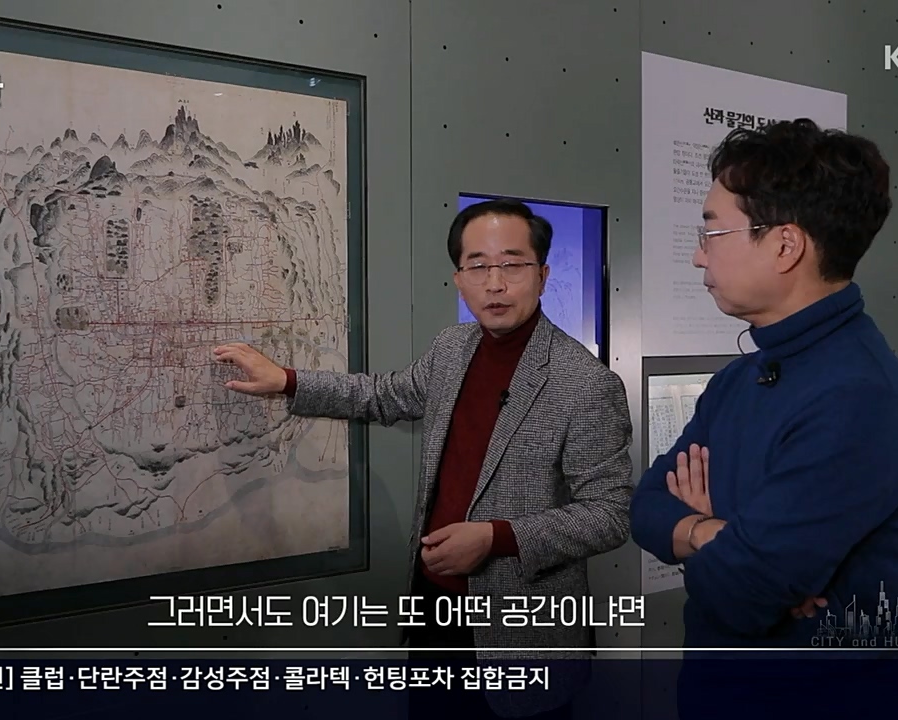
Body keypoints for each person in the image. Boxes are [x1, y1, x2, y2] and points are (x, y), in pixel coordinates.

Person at [215, 198, 635, 718]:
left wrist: (496, 538)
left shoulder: (586, 384)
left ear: (543, 275)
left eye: (512, 264)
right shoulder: (451, 349)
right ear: (459, 280)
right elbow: (382, 395)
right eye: (478, 266)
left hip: (520, 634)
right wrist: (286, 380)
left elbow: (610, 515)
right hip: (433, 610)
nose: (495, 283)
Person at [628, 119, 898, 712]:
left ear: (786, 245)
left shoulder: (860, 397)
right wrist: (712, 534)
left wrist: (706, 541)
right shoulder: (739, 379)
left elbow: (739, 593)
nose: (697, 255)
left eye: (712, 232)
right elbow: (645, 507)